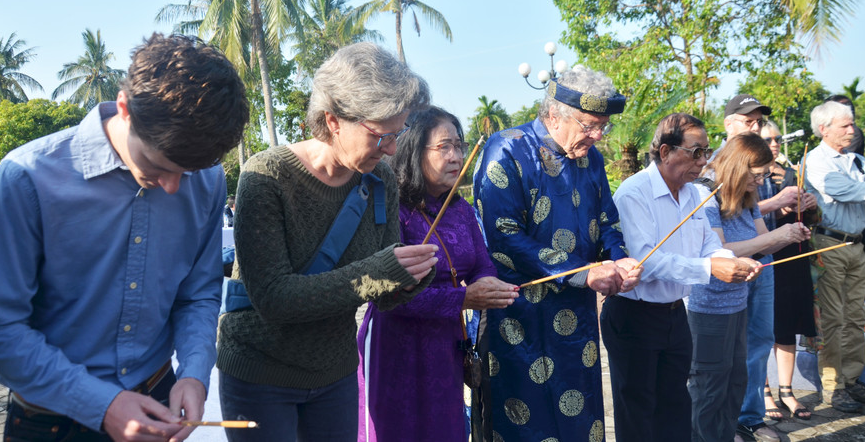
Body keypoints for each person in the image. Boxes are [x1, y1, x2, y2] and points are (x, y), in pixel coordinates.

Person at [0, 34, 249, 441]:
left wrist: (194, 373)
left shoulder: (207, 180)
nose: (174, 188)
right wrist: (100, 403)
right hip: (53, 418)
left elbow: (197, 294)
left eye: (187, 171)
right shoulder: (28, 179)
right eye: (159, 165)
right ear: (124, 109)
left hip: (158, 396)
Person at [217, 42, 439, 441]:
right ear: (333, 120)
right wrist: (382, 273)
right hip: (261, 372)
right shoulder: (265, 177)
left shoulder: (380, 179)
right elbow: (275, 298)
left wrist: (410, 277)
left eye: (398, 133)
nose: (390, 149)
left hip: (335, 372)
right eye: (380, 135)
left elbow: (382, 294)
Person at [472, 65, 642, 441]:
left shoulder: (591, 158)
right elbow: (503, 237)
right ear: (553, 115)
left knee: (580, 422)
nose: (598, 136)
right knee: (523, 424)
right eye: (589, 126)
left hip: (576, 319)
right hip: (517, 317)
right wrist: (583, 273)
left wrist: (618, 259)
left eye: (603, 126)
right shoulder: (506, 149)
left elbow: (608, 222)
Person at [357, 106, 518, 442]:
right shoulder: (391, 208)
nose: (456, 156)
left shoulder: (461, 209)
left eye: (459, 146)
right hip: (397, 344)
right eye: (444, 146)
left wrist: (486, 284)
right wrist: (464, 297)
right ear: (414, 150)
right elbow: (389, 294)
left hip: (445, 344)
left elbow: (481, 264)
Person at [603, 113, 758, 442]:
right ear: (664, 152)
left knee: (676, 407)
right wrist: (710, 269)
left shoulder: (695, 194)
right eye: (695, 152)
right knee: (638, 413)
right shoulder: (634, 193)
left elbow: (710, 246)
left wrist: (733, 262)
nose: (703, 162)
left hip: (675, 314)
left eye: (706, 151)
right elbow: (647, 260)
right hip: (634, 317)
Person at [689, 133, 810, 442]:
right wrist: (779, 237)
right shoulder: (706, 193)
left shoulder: (747, 196)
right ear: (738, 167)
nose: (761, 181)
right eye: (756, 175)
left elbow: (759, 245)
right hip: (707, 306)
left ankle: (727, 434)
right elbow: (721, 250)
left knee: (735, 380)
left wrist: (778, 240)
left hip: (738, 302)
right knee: (708, 384)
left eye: (764, 175)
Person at [718, 94, 803, 441]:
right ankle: (728, 419)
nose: (755, 126)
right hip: (730, 267)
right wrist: (779, 205)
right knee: (727, 350)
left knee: (760, 340)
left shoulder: (762, 166)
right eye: (748, 120)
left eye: (758, 121)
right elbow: (720, 233)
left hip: (761, 264)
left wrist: (786, 234)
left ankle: (750, 416)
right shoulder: (713, 166)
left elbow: (758, 221)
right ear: (729, 124)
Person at [805, 100, 865, 412]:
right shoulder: (816, 161)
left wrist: (863, 184)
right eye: (845, 125)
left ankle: (851, 379)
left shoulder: (857, 160)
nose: (852, 129)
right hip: (829, 246)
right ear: (824, 129)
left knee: (855, 317)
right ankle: (833, 387)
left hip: (856, 246)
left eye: (852, 124)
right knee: (832, 319)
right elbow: (847, 190)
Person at [759, 120, 819, 421]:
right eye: (768, 139)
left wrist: (807, 205)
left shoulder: (793, 173)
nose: (774, 144)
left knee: (787, 326)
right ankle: (765, 393)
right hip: (762, 256)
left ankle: (787, 390)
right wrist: (777, 204)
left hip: (791, 257)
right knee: (762, 328)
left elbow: (810, 218)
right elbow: (738, 212)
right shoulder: (749, 173)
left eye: (777, 139)